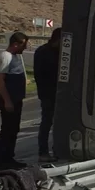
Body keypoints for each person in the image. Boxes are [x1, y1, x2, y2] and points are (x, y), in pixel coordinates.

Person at [0, 31, 30, 170]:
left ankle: (10, 157)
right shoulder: (6, 56)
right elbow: (0, 81)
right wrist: (7, 101)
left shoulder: (16, 57)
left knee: (14, 129)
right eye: (24, 45)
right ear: (16, 44)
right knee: (7, 129)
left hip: (16, 99)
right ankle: (3, 160)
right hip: (8, 100)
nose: (25, 48)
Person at [32, 28, 62, 163]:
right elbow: (40, 75)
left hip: (56, 93)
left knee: (58, 123)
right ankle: (43, 152)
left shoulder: (57, 52)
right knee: (47, 123)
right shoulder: (44, 52)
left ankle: (57, 149)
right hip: (48, 93)